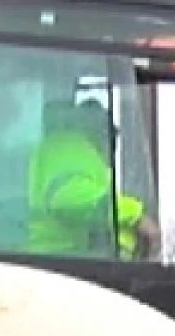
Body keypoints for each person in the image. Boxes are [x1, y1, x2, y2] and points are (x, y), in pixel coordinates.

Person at [24, 99, 160, 260]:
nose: (111, 152)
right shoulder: (69, 149)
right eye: (111, 140)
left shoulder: (74, 153)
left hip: (69, 260)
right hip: (61, 260)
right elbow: (68, 199)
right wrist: (135, 217)